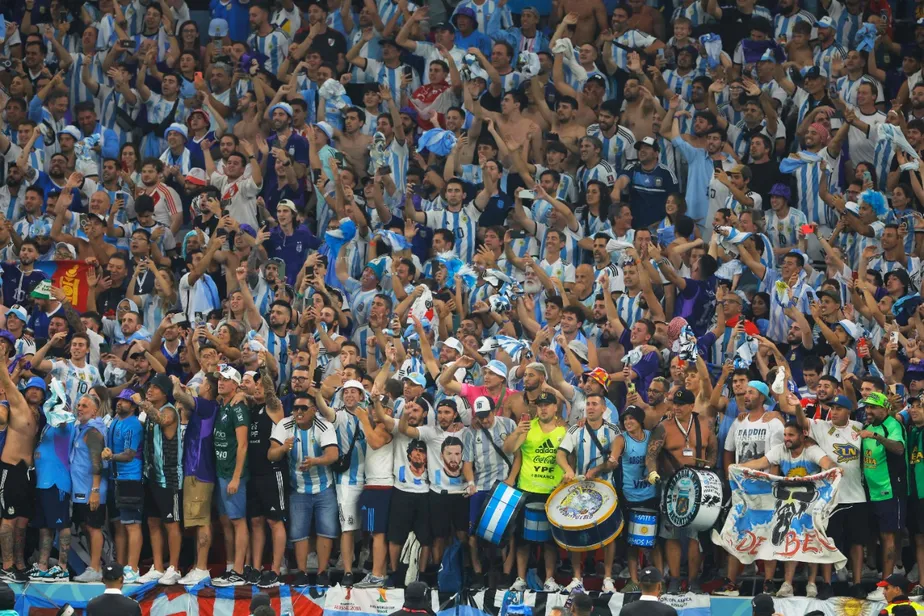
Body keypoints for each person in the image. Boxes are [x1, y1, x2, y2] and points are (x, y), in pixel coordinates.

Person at [645, 388, 718, 593]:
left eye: (681, 405)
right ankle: (675, 580)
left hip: (699, 484)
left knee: (695, 534)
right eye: (674, 404)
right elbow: (651, 454)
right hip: (672, 484)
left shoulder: (704, 424)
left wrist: (709, 466)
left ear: (691, 406)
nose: (676, 408)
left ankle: (693, 581)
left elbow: (713, 448)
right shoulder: (664, 426)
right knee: (671, 534)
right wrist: (652, 472)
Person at [504, 391, 567, 592]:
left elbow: (570, 459)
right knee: (523, 539)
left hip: (553, 491)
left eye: (547, 404)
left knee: (550, 540)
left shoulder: (563, 430)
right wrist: (516, 432)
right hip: (527, 489)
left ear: (555, 408)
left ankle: (549, 579)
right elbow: (508, 449)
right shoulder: (526, 427)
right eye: (540, 405)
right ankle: (520, 578)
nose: (543, 408)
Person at [862, 392, 908, 601]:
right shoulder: (867, 426)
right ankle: (883, 578)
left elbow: (899, 449)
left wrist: (876, 437)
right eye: (867, 407)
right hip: (871, 493)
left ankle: (886, 587)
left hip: (891, 491)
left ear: (885, 409)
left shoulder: (893, 425)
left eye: (873, 407)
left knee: (889, 538)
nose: (868, 411)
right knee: (877, 537)